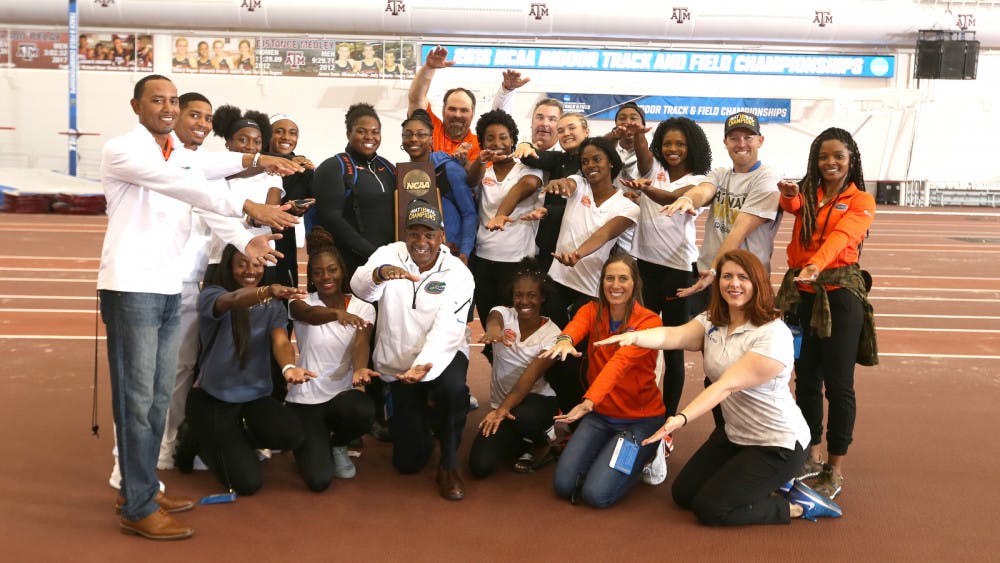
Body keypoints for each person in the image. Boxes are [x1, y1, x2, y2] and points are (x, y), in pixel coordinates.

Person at [99, 74, 300, 540]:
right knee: (137, 399)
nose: (168, 108)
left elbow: (206, 182)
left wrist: (248, 235)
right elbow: (188, 186)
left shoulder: (179, 155)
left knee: (158, 399)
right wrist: (252, 205)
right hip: (132, 288)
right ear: (136, 106)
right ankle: (137, 502)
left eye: (173, 100)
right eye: (159, 100)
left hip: (170, 288)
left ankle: (141, 488)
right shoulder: (123, 150)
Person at [598, 249, 843, 525]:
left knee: (711, 509)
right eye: (726, 276)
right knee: (683, 494)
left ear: (757, 283)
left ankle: (796, 506)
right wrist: (633, 338)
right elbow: (675, 334)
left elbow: (725, 386)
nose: (733, 284)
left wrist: (679, 418)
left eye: (742, 277)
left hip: (777, 443)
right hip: (735, 434)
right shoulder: (712, 321)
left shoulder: (773, 334)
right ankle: (763, 482)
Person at [774, 127, 877, 501]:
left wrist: (816, 265)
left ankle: (835, 467)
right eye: (823, 157)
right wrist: (788, 195)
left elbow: (842, 238)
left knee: (838, 384)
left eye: (838, 156)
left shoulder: (862, 200)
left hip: (839, 298)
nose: (830, 163)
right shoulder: (810, 194)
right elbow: (794, 206)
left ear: (852, 160)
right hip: (802, 295)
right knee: (806, 380)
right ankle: (810, 457)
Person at [350, 199, 474, 501]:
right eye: (414, 233)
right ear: (405, 234)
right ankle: (426, 425)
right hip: (398, 362)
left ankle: (449, 464)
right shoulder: (387, 254)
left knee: (452, 391)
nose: (421, 242)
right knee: (407, 463)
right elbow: (358, 288)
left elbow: (448, 329)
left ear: (441, 237)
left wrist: (424, 365)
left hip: (442, 356)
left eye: (429, 234)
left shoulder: (458, 274)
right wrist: (379, 274)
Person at [621, 117, 713, 478]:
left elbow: (677, 198)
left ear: (692, 147)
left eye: (681, 145)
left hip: (677, 272)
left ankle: (667, 425)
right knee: (640, 342)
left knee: (671, 351)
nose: (673, 150)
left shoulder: (698, 181)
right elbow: (644, 160)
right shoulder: (653, 166)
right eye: (668, 144)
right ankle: (635, 408)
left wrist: (651, 191)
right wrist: (639, 139)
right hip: (646, 269)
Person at [540, 254, 664, 508]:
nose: (615, 285)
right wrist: (564, 341)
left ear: (634, 283)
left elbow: (618, 365)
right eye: (610, 278)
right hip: (601, 417)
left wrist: (588, 402)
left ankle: (651, 450)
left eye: (623, 279)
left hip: (638, 422)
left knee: (597, 495)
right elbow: (575, 327)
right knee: (564, 486)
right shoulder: (592, 310)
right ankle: (611, 452)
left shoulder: (649, 322)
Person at [185, 244, 308, 496]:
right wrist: (266, 290)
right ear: (229, 266)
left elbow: (281, 341)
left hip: (253, 398)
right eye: (242, 263)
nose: (250, 270)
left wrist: (288, 367)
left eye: (257, 264)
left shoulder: (272, 305)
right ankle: (198, 437)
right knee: (248, 484)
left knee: (291, 435)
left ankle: (235, 440)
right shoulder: (213, 294)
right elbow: (234, 299)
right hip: (213, 400)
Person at [286, 228, 377, 492]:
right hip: (306, 400)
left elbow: (361, 343)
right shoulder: (301, 301)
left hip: (340, 397)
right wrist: (337, 314)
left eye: (332, 269)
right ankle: (311, 444)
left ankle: (338, 444)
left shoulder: (363, 308)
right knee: (319, 480)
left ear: (342, 271)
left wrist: (360, 369)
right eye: (318, 272)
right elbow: (310, 315)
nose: (325, 276)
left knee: (363, 409)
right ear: (311, 276)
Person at [664, 112, 782, 290]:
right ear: (725, 142)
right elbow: (704, 190)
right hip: (709, 276)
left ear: (760, 140)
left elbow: (738, 231)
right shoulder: (720, 173)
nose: (741, 144)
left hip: (745, 279)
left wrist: (714, 271)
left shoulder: (767, 178)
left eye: (748, 137)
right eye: (734, 138)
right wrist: (688, 198)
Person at [471, 261, 561, 477]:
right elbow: (495, 320)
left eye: (531, 295)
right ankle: (521, 440)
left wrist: (502, 410)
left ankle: (542, 442)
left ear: (542, 298)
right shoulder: (504, 313)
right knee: (479, 466)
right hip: (506, 406)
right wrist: (493, 331)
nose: (524, 301)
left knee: (523, 416)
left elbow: (527, 381)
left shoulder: (553, 335)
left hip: (535, 402)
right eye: (518, 295)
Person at [467, 109, 544, 327]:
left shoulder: (528, 167)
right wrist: (480, 162)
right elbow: (470, 182)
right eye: (489, 138)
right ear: (482, 143)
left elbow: (526, 186)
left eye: (503, 137)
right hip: (484, 259)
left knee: (516, 326)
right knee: (489, 322)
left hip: (517, 261)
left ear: (512, 140)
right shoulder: (485, 171)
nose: (497, 142)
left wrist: (501, 214)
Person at [313, 103, 397, 279]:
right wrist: (372, 253)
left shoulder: (387, 166)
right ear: (348, 133)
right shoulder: (334, 167)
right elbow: (331, 218)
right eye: (361, 131)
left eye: (375, 132)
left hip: (389, 262)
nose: (369, 137)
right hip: (353, 263)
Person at [205, 105, 286, 282]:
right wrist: (251, 217)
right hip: (223, 256)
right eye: (243, 140)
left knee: (263, 309)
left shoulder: (271, 175)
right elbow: (213, 211)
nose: (251, 146)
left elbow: (269, 213)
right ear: (228, 142)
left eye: (257, 141)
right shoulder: (214, 173)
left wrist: (279, 213)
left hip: (263, 259)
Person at [514, 112, 591, 275]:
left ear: (586, 131)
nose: (566, 134)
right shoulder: (558, 159)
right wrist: (526, 145)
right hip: (550, 242)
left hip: (581, 243)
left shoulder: (595, 162)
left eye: (572, 128)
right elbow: (533, 157)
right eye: (561, 131)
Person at [400, 109, 477, 264]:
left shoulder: (448, 168)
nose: (414, 139)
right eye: (408, 134)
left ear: (431, 139)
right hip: (416, 255)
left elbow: (469, 213)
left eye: (421, 134)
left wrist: (465, 252)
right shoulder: (402, 174)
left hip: (451, 253)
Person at [407, 45, 480, 163]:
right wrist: (429, 68)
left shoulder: (480, 144)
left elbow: (478, 179)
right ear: (443, 110)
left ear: (472, 114)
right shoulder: (430, 127)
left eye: (464, 110)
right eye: (452, 109)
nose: (457, 114)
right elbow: (416, 99)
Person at [268, 113, 317, 289]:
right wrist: (288, 161)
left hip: (285, 245)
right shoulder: (255, 165)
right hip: (253, 239)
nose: (286, 137)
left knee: (284, 300)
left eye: (292, 133)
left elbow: (317, 199)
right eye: (279, 131)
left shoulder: (303, 168)